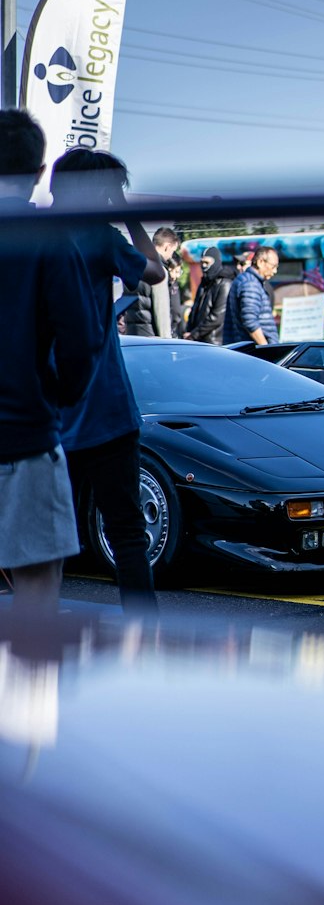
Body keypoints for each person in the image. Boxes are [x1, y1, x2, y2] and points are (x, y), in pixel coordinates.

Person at [50, 148, 167, 611]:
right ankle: (144, 634)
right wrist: (129, 216)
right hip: (106, 408)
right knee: (126, 530)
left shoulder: (31, 236)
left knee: (48, 534)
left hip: (47, 410)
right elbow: (155, 271)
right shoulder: (100, 237)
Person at [0, 112, 102, 615]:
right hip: (26, 441)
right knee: (37, 606)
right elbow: (82, 341)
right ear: (41, 172)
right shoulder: (49, 238)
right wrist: (58, 398)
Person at [222, 245, 280, 345]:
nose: (275, 271)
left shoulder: (249, 281)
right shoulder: (250, 284)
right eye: (273, 266)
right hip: (254, 351)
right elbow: (250, 321)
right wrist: (265, 348)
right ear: (260, 262)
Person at [184, 245, 235, 344]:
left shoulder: (224, 284)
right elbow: (195, 310)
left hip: (214, 342)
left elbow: (217, 317)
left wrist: (193, 335)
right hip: (198, 341)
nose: (203, 266)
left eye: (207, 263)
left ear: (215, 262)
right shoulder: (204, 283)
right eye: (202, 262)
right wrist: (189, 331)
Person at [152, 227, 184, 337]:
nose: (171, 256)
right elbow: (162, 314)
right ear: (167, 247)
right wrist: (167, 341)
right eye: (172, 251)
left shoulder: (137, 265)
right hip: (153, 340)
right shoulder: (159, 272)